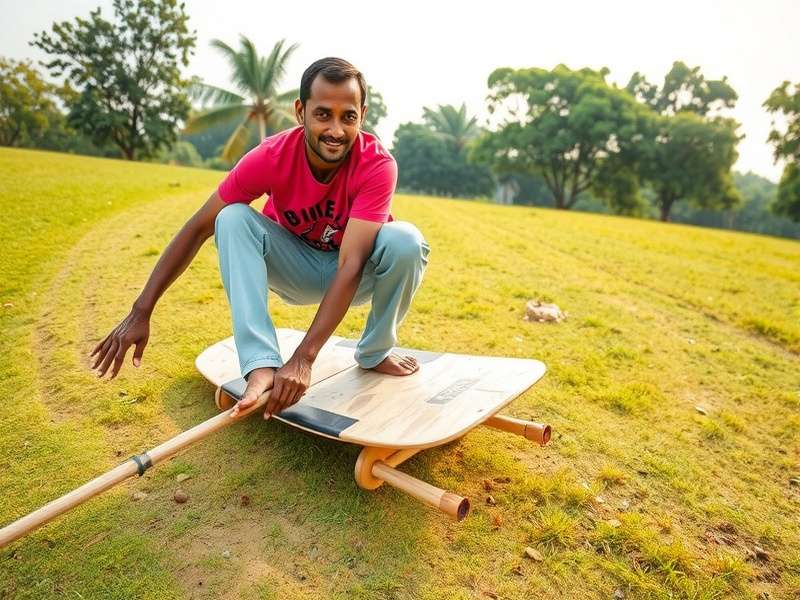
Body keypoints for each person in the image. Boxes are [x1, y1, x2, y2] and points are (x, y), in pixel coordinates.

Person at [90, 57, 430, 419]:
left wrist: (302, 359)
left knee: (405, 241)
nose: (335, 129)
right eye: (322, 114)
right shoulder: (271, 156)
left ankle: (374, 352)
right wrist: (141, 310)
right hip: (293, 267)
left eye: (348, 116)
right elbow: (197, 227)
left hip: (354, 272)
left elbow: (351, 263)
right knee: (231, 217)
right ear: (300, 112)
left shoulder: (377, 164)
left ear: (362, 114)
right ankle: (260, 364)